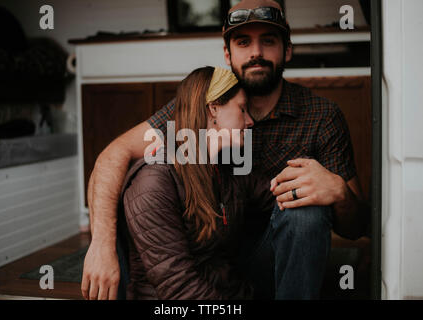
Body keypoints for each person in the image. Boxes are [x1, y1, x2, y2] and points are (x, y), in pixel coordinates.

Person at [81, 0, 370, 300]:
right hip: (206, 260)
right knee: (118, 198)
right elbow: (113, 155)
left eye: (268, 41)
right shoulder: (197, 109)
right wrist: (100, 245)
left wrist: (337, 191)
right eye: (243, 42)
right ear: (227, 54)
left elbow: (356, 227)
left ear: (287, 50)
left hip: (272, 256)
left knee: (305, 208)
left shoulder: (321, 116)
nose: (256, 52)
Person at [121, 66, 276, 299]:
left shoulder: (229, 168)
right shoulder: (154, 179)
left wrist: (318, 187)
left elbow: (277, 194)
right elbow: (178, 287)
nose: (250, 121)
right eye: (242, 109)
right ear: (214, 109)